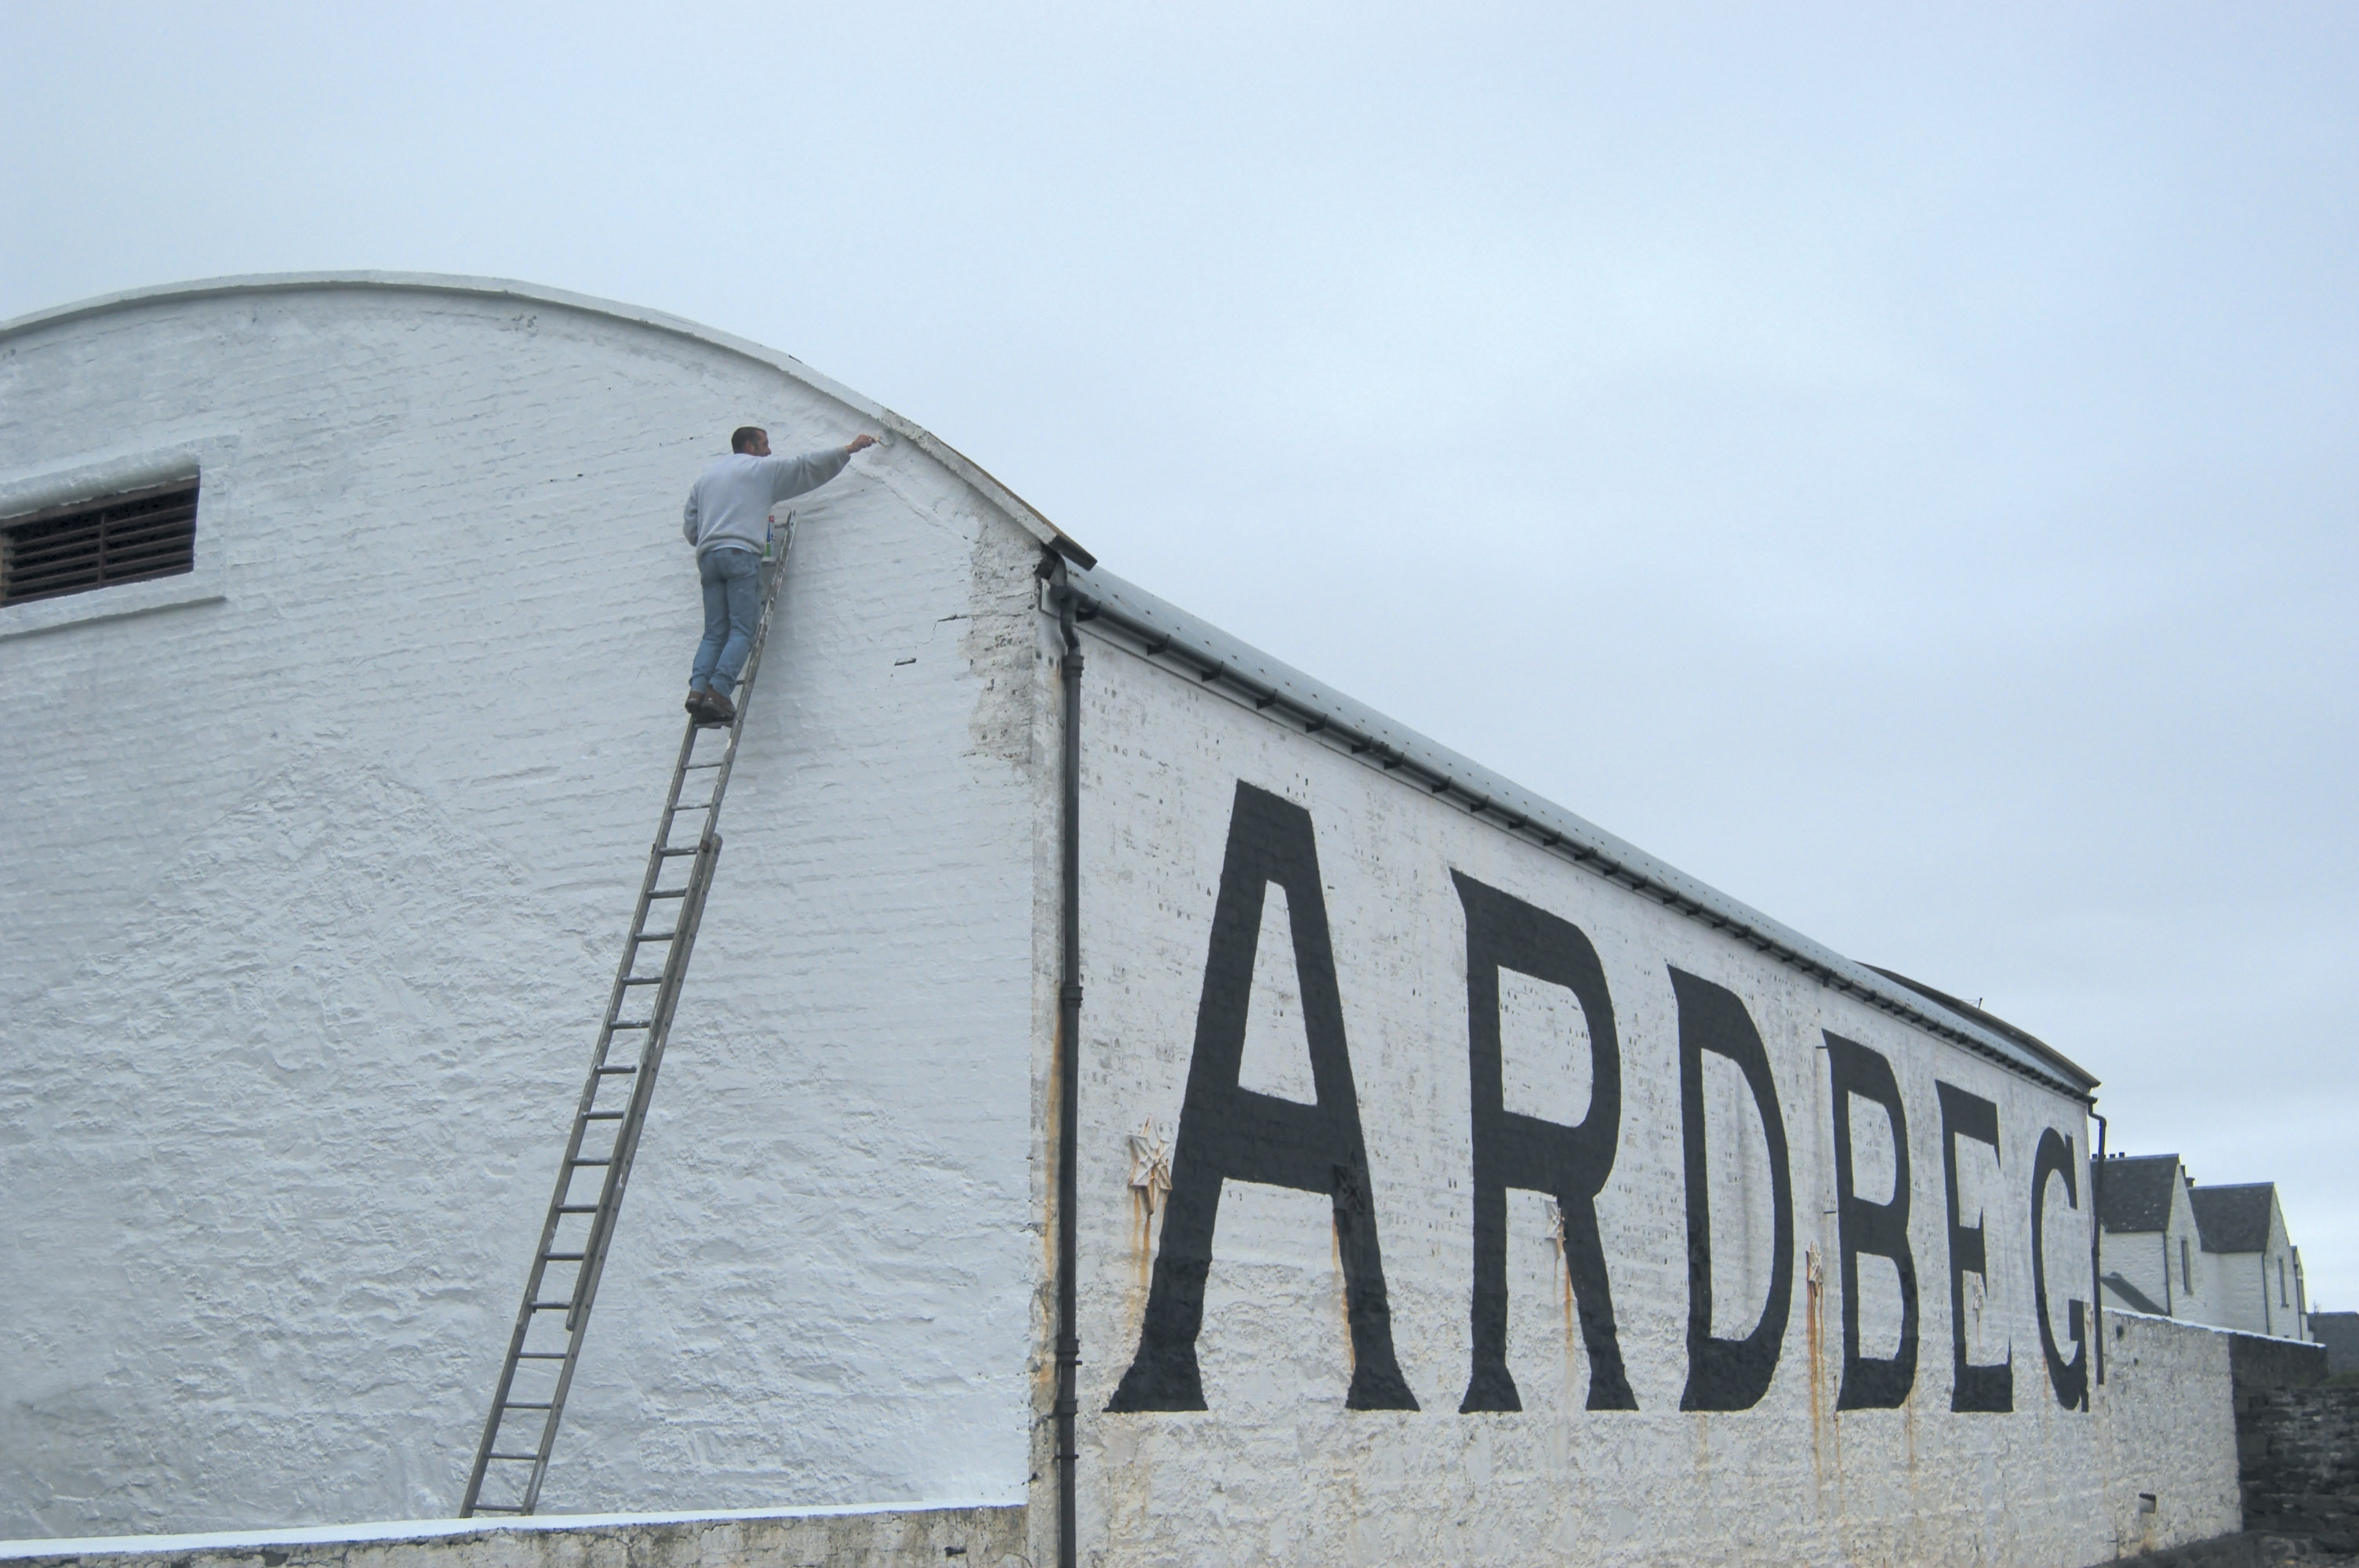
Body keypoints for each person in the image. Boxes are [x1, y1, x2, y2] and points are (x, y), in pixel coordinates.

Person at [681, 425, 878, 724]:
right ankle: (718, 690)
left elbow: (691, 528)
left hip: (709, 559)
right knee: (743, 629)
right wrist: (848, 450)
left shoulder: (706, 478)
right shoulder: (759, 470)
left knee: (714, 632)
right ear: (749, 446)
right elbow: (803, 467)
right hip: (740, 555)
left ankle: (697, 690)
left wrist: (712, 536)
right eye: (764, 444)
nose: (769, 451)